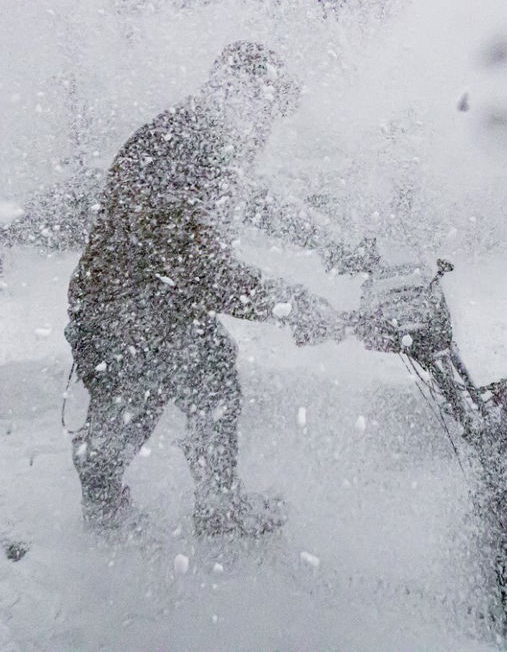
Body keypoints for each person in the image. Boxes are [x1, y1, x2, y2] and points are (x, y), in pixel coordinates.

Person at [65, 41, 363, 537]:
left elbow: (260, 203)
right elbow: (202, 271)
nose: (267, 129)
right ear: (242, 96)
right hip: (122, 308)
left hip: (146, 301)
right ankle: (118, 507)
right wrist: (291, 305)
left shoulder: (207, 139)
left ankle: (201, 502)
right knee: (139, 398)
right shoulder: (188, 146)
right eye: (267, 112)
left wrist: (338, 245)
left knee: (205, 372)